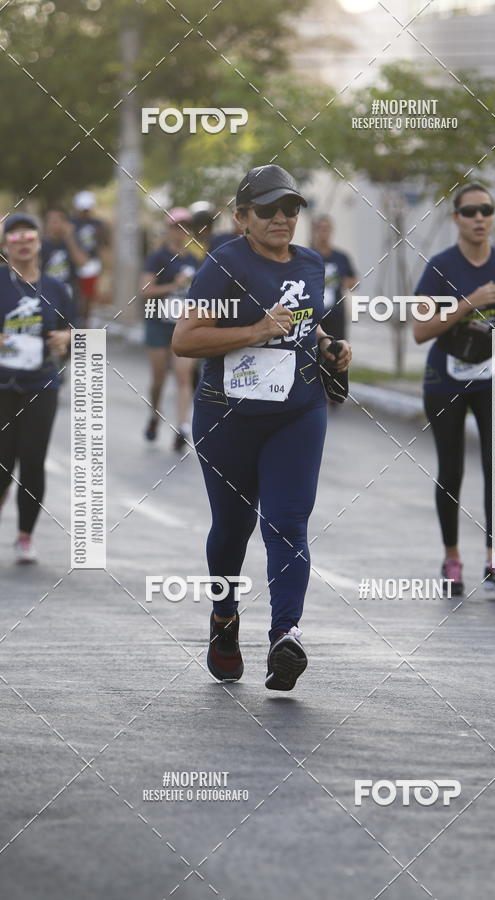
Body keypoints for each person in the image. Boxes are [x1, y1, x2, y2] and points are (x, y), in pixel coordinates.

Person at [172, 164, 352, 690]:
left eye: (290, 208)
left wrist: (327, 348)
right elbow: (185, 339)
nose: (282, 218)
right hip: (226, 416)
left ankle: (285, 636)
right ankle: (224, 621)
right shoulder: (223, 266)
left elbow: (305, 320)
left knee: (287, 523)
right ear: (241, 217)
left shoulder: (312, 263)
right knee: (232, 528)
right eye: (268, 209)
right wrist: (255, 330)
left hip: (298, 410)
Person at [413, 182, 495, 596]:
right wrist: (468, 302)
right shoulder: (440, 266)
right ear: (456, 218)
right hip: (445, 380)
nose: (479, 218)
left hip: (493, 378)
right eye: (470, 211)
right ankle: (452, 558)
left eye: (486, 210)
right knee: (452, 470)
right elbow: (420, 331)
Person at [0, 214, 74, 562]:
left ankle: (25, 537)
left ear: (39, 242)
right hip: (2, 384)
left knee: (32, 461)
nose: (22, 241)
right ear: (6, 245)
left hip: (41, 384)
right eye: (14, 237)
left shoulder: (56, 288)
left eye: (28, 235)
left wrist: (68, 338)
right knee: (3, 461)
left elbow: (78, 333)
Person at [140, 207, 199, 450]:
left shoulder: (194, 260)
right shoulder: (158, 258)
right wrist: (173, 285)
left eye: (185, 227)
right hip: (158, 324)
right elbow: (146, 290)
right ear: (169, 229)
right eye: (177, 226)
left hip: (183, 327)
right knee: (159, 379)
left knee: (184, 376)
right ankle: (155, 415)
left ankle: (183, 427)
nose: (181, 231)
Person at [311, 214, 356, 344]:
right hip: (314, 315)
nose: (323, 232)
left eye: (326, 229)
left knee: (337, 350)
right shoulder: (307, 256)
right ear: (315, 231)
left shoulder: (341, 257)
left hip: (336, 314)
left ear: (331, 231)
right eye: (320, 228)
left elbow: (354, 280)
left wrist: (348, 283)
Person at [71, 191, 110, 324]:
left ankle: (84, 323)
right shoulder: (71, 223)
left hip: (92, 263)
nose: (85, 212)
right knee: (76, 295)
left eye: (87, 209)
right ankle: (77, 321)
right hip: (73, 264)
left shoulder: (98, 223)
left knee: (88, 295)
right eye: (83, 209)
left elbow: (105, 244)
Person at [41, 206, 89, 313]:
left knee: (71, 327)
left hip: (69, 296)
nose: (56, 224)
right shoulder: (41, 245)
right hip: (47, 296)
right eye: (52, 221)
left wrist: (69, 238)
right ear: (46, 224)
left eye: (59, 220)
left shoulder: (71, 242)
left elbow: (82, 263)